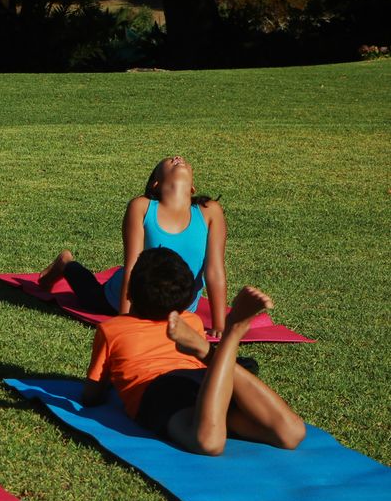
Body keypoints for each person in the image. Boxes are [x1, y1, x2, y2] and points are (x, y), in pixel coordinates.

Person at [81, 248, 305, 455]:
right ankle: (213, 351)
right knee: (291, 434)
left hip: (157, 391)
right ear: (186, 299)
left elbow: (91, 396)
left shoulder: (112, 329)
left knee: (208, 442)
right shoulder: (190, 322)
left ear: (128, 292)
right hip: (206, 381)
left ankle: (231, 334)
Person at [39, 156, 228, 336]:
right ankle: (66, 264)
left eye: (182, 161)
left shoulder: (209, 211)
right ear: (156, 184)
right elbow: (132, 267)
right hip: (138, 299)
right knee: (92, 297)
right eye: (169, 161)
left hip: (180, 305)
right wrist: (124, 321)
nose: (177, 158)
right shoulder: (142, 207)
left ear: (193, 187)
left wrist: (219, 325)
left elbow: (215, 270)